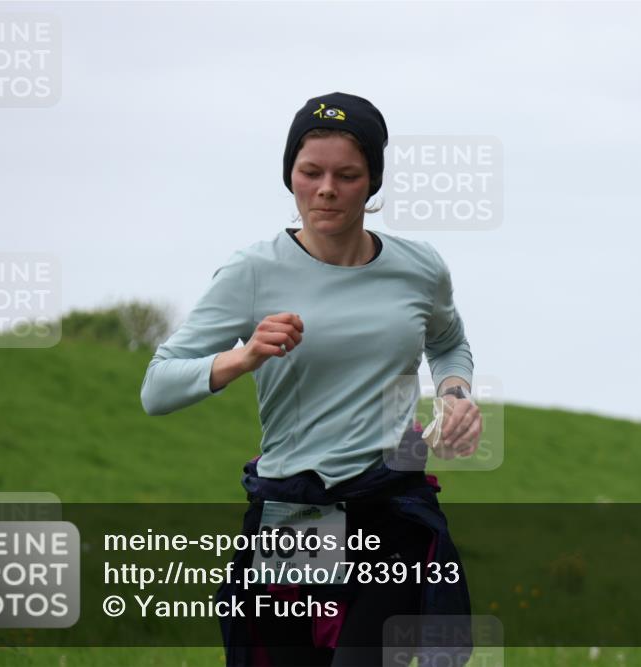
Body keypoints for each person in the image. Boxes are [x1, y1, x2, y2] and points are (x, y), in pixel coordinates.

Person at [140, 92, 481, 666]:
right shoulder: (253, 271)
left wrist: (454, 396)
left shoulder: (419, 268)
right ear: (289, 177)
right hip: (297, 513)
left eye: (347, 175)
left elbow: (448, 343)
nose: (326, 189)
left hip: (387, 501)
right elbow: (158, 386)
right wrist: (243, 357)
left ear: (371, 181)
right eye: (310, 172)